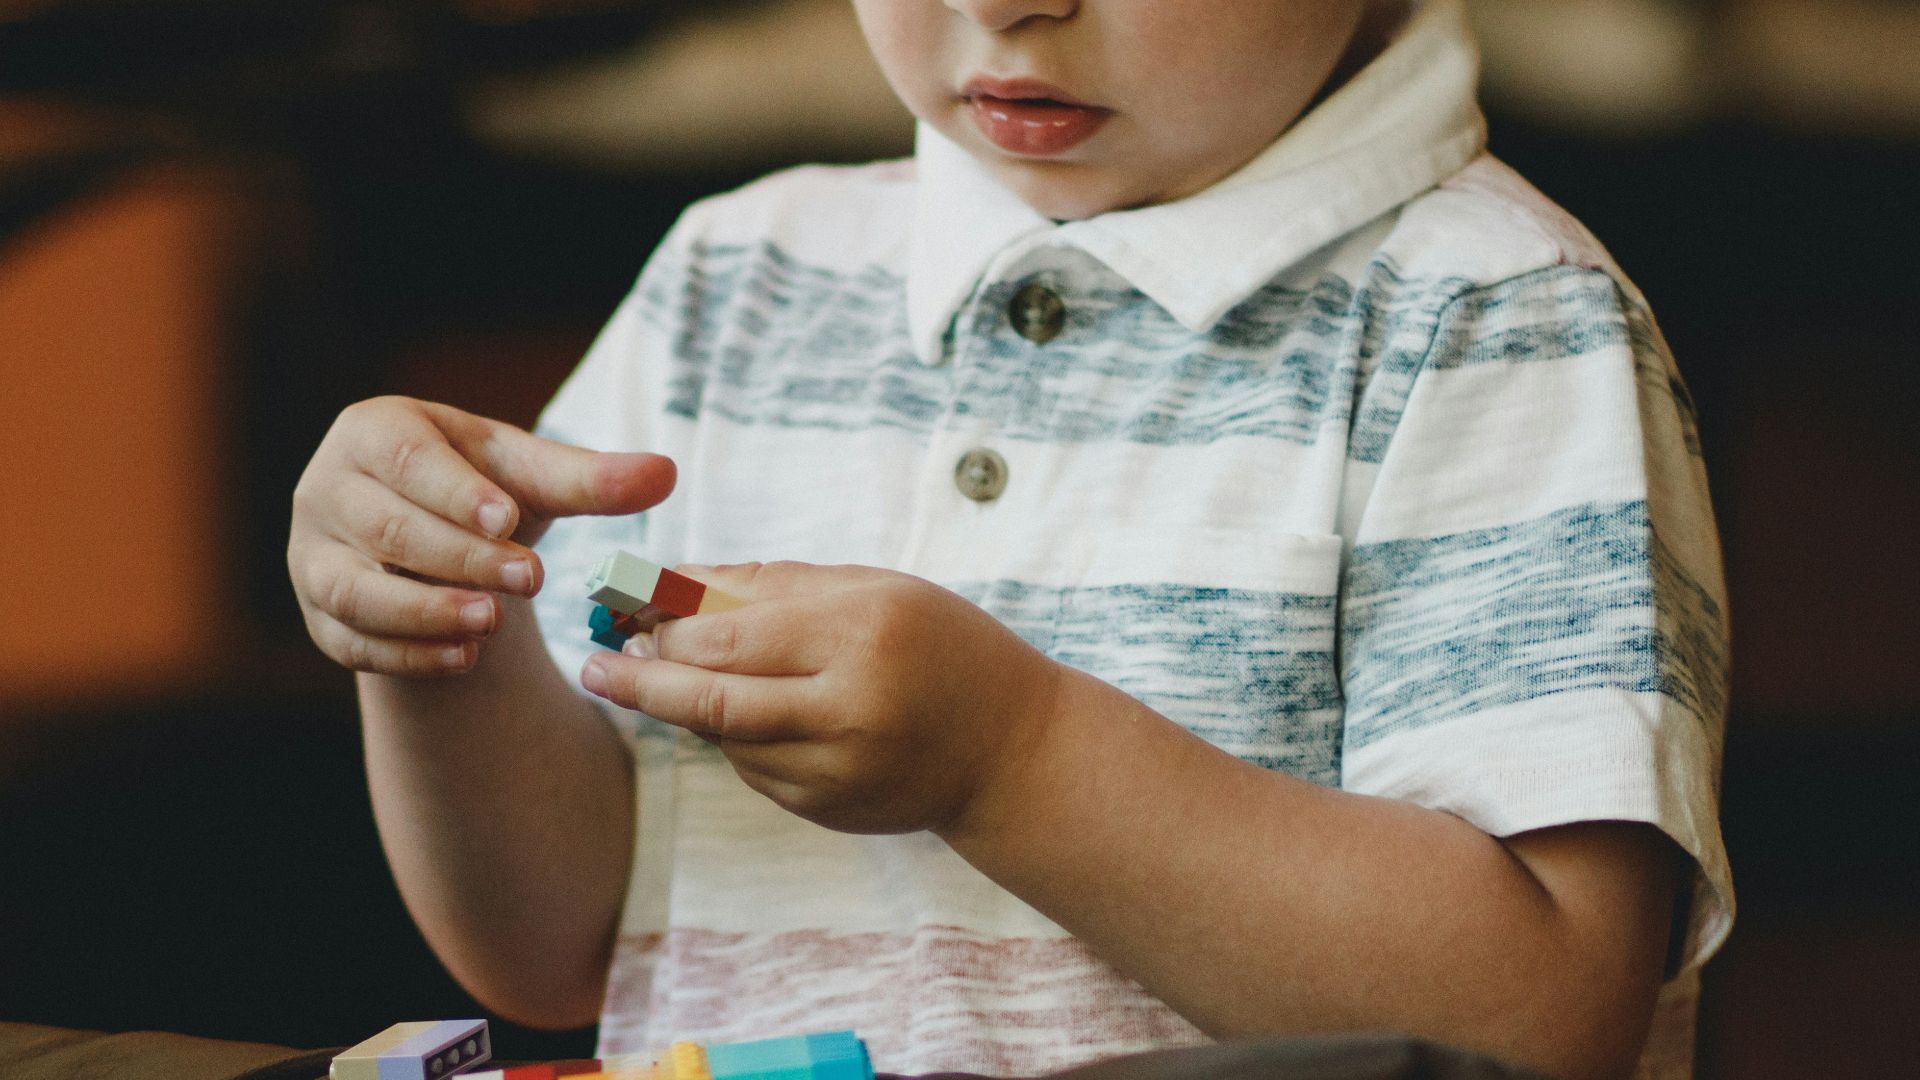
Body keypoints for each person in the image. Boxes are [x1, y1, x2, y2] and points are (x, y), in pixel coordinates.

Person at [286, 2, 1732, 1078]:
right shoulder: (738, 278)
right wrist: (438, 635)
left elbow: (1545, 1024)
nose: (1005, 4)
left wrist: (1012, 757)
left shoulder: (1493, 319)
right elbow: (555, 941)